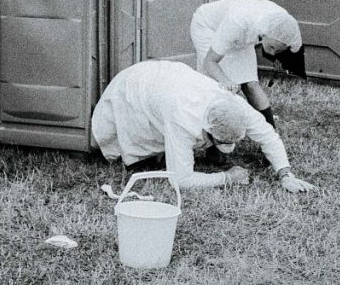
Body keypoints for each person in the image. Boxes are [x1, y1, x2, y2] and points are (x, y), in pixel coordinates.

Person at [91, 60, 316, 193]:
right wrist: (227, 178)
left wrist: (286, 175)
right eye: (220, 142)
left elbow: (269, 135)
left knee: (163, 147)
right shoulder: (183, 117)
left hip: (169, 82)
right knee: (127, 152)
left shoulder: (236, 106)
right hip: (135, 88)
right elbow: (180, 179)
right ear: (207, 131)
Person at [190, 0, 305, 128]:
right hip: (208, 27)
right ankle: (210, 130)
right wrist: (225, 80)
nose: (273, 54)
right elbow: (210, 61)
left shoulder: (282, 23)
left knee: (250, 83)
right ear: (265, 33)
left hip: (243, 32)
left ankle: (270, 130)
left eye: (278, 51)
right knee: (216, 85)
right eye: (272, 47)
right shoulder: (237, 21)